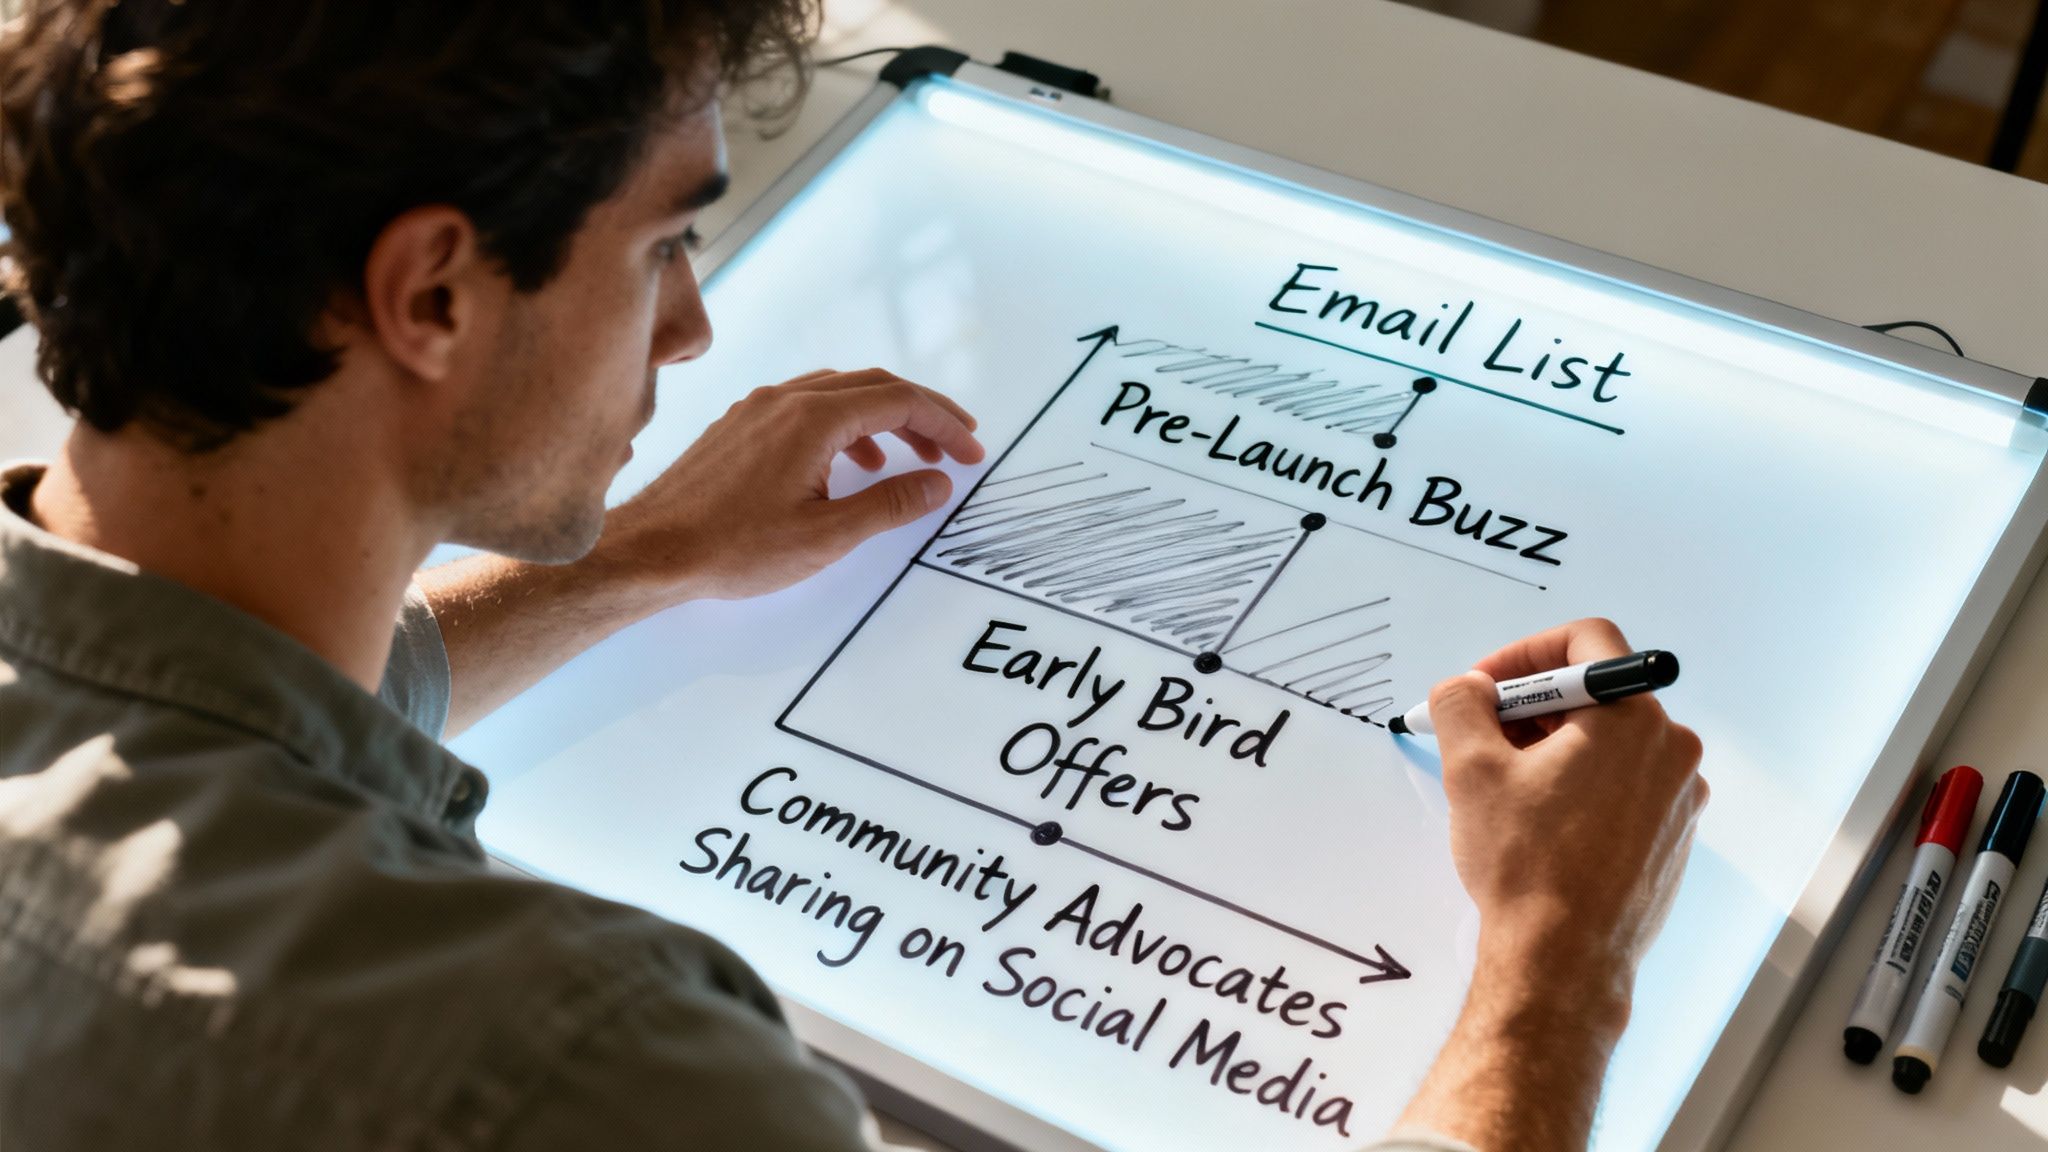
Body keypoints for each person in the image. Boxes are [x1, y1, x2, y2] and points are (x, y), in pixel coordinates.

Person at [0, 3, 1706, 1150]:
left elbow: (214, 707)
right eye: (663, 242)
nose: (692, 326)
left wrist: (642, 556)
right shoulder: (592, 1067)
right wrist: (1561, 960)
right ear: (433, 294)